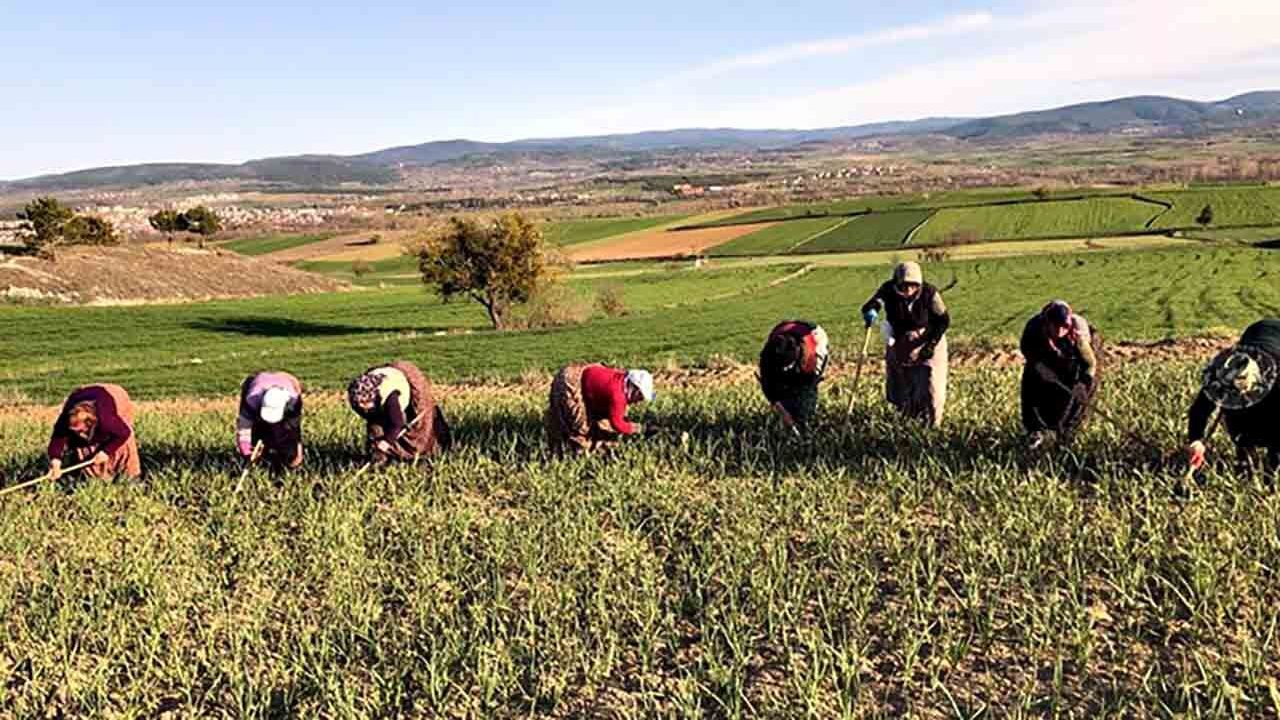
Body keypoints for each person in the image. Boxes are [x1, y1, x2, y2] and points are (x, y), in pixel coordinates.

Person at [860, 261, 951, 427]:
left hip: (928, 339)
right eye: (904, 285)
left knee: (931, 387)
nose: (908, 290)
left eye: (913, 285)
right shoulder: (888, 290)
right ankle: (908, 423)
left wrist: (930, 345)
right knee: (902, 387)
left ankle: (933, 426)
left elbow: (943, 320)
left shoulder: (929, 293)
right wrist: (871, 310)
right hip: (900, 342)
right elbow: (875, 302)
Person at [1187, 319, 1280, 476]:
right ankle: (1245, 454)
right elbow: (1199, 410)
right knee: (1238, 426)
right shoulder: (1221, 375)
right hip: (1255, 333)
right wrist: (1196, 441)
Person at [1020, 301, 1101, 448]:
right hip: (1045, 353)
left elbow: (1090, 364)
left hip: (1076, 356)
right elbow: (1027, 349)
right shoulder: (1034, 329)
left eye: (1063, 327)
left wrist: (1082, 383)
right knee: (1031, 383)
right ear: (1047, 324)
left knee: (1077, 393)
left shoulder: (1078, 336)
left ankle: (1067, 432)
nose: (1059, 331)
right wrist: (1039, 366)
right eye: (1055, 326)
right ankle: (1035, 430)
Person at [348, 360, 451, 464]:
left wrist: (386, 442)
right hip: (389, 377)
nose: (363, 408)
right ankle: (379, 460)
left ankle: (431, 452)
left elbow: (397, 424)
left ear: (373, 397)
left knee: (421, 429)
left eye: (365, 403)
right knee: (376, 429)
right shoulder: (358, 397)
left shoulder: (390, 396)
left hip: (407, 380)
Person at [546, 364, 655, 453]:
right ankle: (567, 451)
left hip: (580, 374)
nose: (638, 401)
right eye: (640, 397)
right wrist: (638, 429)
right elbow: (617, 424)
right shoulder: (618, 396)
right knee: (581, 428)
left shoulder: (621, 378)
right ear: (634, 389)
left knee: (601, 422)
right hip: (571, 384)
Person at [47, 383, 142, 481]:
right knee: (81, 445)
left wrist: (106, 451)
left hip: (113, 396)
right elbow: (58, 437)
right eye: (75, 431)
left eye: (80, 431)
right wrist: (55, 462)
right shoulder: (67, 417)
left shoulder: (105, 419)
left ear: (90, 423)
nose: (79, 434)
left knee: (122, 445)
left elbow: (124, 433)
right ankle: (94, 479)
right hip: (83, 393)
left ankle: (130, 478)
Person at [759, 320, 829, 433]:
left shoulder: (814, 356)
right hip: (786, 329)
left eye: (788, 366)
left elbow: (809, 384)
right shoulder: (769, 353)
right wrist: (783, 411)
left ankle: (805, 421)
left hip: (814, 336)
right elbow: (768, 385)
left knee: (803, 395)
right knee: (782, 388)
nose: (785, 369)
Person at [236, 370, 304, 472]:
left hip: (288, 381)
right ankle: (261, 461)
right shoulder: (251, 399)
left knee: (285, 436)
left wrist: (298, 451)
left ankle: (282, 462)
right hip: (258, 382)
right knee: (257, 433)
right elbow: (244, 427)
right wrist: (246, 450)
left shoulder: (293, 400)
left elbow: (294, 429)